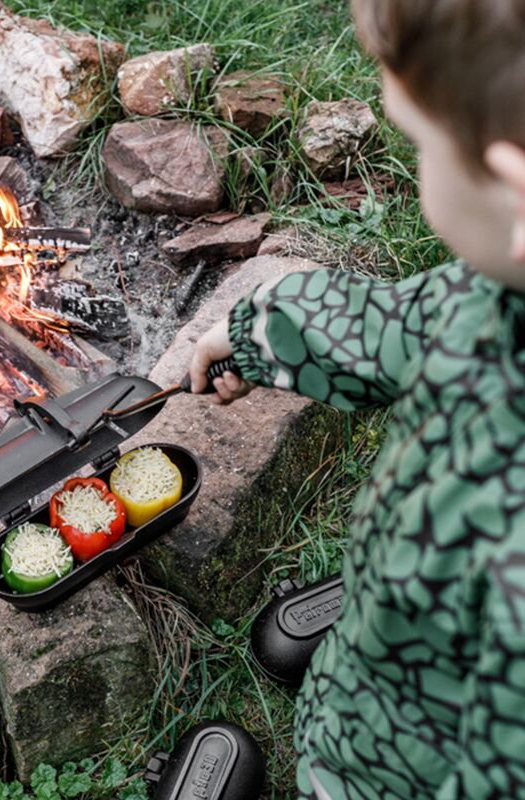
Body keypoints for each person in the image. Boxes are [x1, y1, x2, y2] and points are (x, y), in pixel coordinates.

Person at [188, 1, 525, 798]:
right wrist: (263, 332)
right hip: (408, 652)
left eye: (418, 140)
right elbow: (408, 324)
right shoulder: (502, 293)